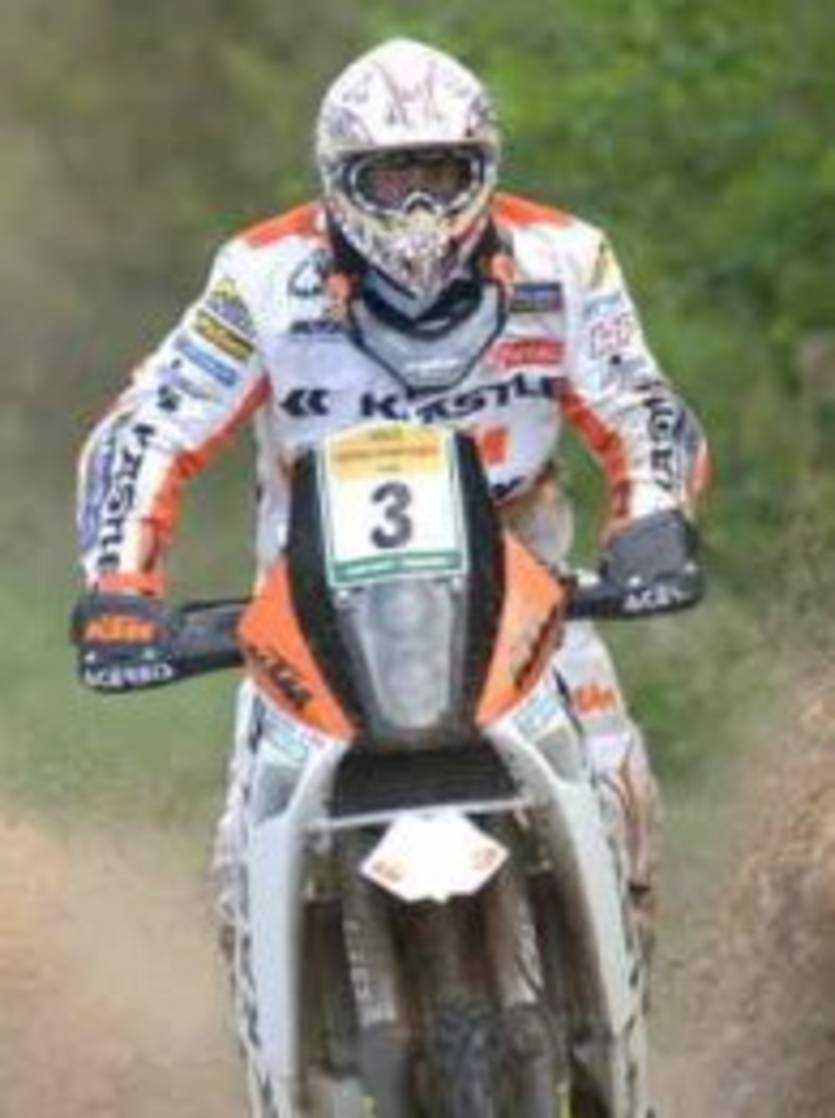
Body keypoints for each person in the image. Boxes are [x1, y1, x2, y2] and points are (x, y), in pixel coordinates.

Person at [73, 38, 708, 953]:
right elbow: (152, 425)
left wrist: (652, 519)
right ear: (339, 178)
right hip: (311, 609)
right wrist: (119, 586)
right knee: (246, 875)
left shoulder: (565, 258)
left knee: (620, 809)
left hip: (522, 590)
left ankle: (613, 1007)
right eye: (391, 177)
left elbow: (636, 400)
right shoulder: (261, 276)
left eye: (440, 173)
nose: (417, 206)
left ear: (483, 168)